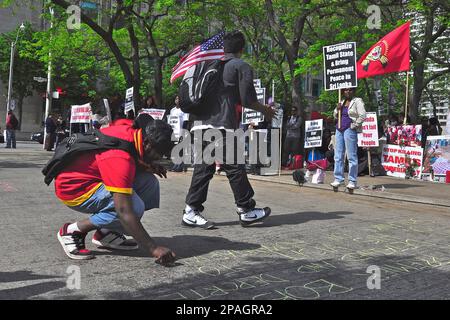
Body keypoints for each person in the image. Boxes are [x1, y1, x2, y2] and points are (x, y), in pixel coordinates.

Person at [182, 30, 276, 229]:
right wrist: (265, 110)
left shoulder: (207, 65)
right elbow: (248, 99)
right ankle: (246, 210)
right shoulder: (241, 66)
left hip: (199, 124)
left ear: (222, 47)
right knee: (234, 167)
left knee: (204, 168)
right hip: (222, 124)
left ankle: (191, 211)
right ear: (242, 49)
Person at [53, 116, 176, 265]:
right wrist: (153, 248)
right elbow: (124, 211)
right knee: (134, 208)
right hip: (74, 189)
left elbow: (131, 150)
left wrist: (147, 165)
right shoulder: (120, 158)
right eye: (158, 154)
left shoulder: (132, 130)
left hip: (93, 177)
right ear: (147, 143)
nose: (160, 158)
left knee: (149, 183)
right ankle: (73, 231)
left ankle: (105, 233)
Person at [330, 87, 366, 189]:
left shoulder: (357, 101)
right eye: (346, 90)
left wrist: (354, 125)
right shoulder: (341, 101)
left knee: (351, 156)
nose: (348, 91)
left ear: (354, 91)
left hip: (349, 129)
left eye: (350, 90)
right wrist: (337, 110)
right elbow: (335, 116)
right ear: (343, 91)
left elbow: (363, 115)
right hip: (339, 129)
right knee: (338, 156)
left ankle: (352, 180)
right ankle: (338, 179)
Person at [168, 96, 189, 172]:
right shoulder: (172, 110)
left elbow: (185, 121)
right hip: (173, 132)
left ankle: (179, 166)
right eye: (176, 98)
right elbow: (170, 121)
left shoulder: (184, 110)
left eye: (179, 99)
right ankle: (175, 165)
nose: (177, 100)